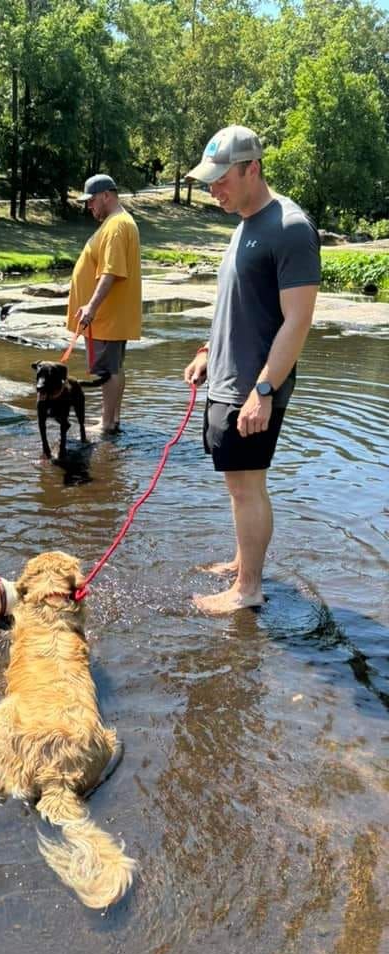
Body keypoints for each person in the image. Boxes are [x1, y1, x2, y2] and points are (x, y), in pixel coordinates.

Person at [182, 125, 320, 614]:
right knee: (237, 485)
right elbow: (235, 303)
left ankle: (248, 589)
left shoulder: (290, 228)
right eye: (209, 180)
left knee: (247, 486)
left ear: (252, 168)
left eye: (221, 178)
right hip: (227, 377)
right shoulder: (245, 222)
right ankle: (243, 562)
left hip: (254, 384)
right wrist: (205, 351)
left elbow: (298, 321)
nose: (212, 188)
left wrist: (263, 389)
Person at [66, 174, 142, 434]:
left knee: (108, 369)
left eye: (92, 201)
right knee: (114, 367)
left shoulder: (116, 226)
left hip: (108, 316)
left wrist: (91, 307)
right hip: (112, 315)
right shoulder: (118, 223)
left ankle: (107, 422)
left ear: (106, 196)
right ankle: (113, 419)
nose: (89, 207)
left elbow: (111, 272)